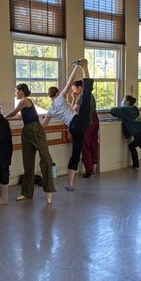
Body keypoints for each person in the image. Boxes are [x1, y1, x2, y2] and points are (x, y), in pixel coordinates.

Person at [42, 58, 93, 190]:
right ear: (58, 93)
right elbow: (71, 80)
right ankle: (84, 66)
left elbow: (43, 126)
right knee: (86, 96)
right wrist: (76, 66)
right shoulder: (60, 97)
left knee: (75, 153)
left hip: (73, 128)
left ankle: (70, 185)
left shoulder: (51, 109)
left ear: (49, 97)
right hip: (80, 122)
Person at [5, 83, 55, 204]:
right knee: (28, 163)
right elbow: (21, 116)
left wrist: (3, 118)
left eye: (16, 91)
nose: (15, 93)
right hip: (27, 131)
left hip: (35, 129)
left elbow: (13, 113)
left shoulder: (25, 100)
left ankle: (48, 190)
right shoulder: (24, 103)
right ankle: (26, 193)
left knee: (46, 158)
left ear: (21, 91)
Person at [110, 95, 141, 173]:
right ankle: (136, 165)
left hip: (138, 134)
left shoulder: (124, 109)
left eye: (123, 99)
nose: (122, 101)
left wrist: (119, 108)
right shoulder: (135, 109)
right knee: (131, 146)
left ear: (127, 102)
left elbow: (113, 111)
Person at [71, 80, 99, 178]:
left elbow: (73, 110)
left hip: (87, 122)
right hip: (95, 119)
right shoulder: (91, 95)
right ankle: (94, 170)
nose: (73, 91)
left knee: (85, 146)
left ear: (79, 87)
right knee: (94, 145)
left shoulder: (81, 96)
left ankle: (89, 171)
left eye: (74, 88)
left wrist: (73, 99)